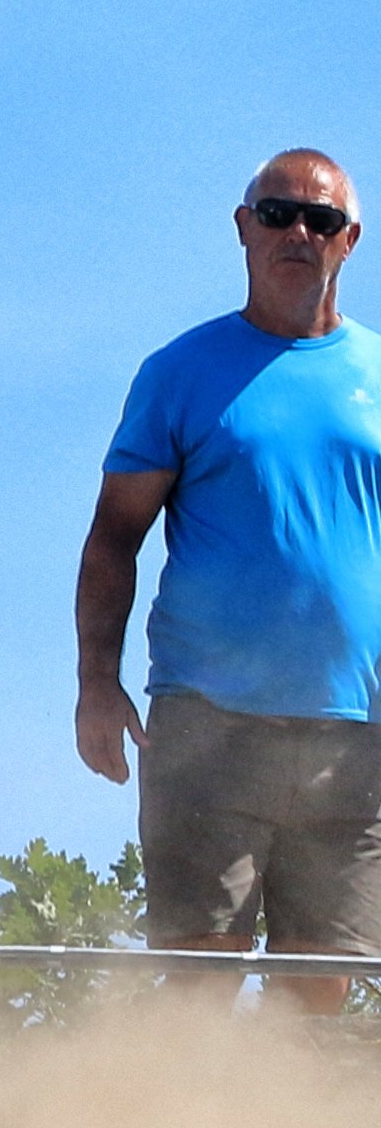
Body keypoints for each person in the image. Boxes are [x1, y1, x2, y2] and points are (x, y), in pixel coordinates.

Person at [80, 150, 381, 1013]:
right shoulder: (180, 372)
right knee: (195, 976)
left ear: (347, 240)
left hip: (353, 730)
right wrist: (93, 685)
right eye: (277, 213)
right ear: (242, 225)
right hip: (208, 723)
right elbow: (111, 540)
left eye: (319, 220)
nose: (297, 233)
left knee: (318, 988)